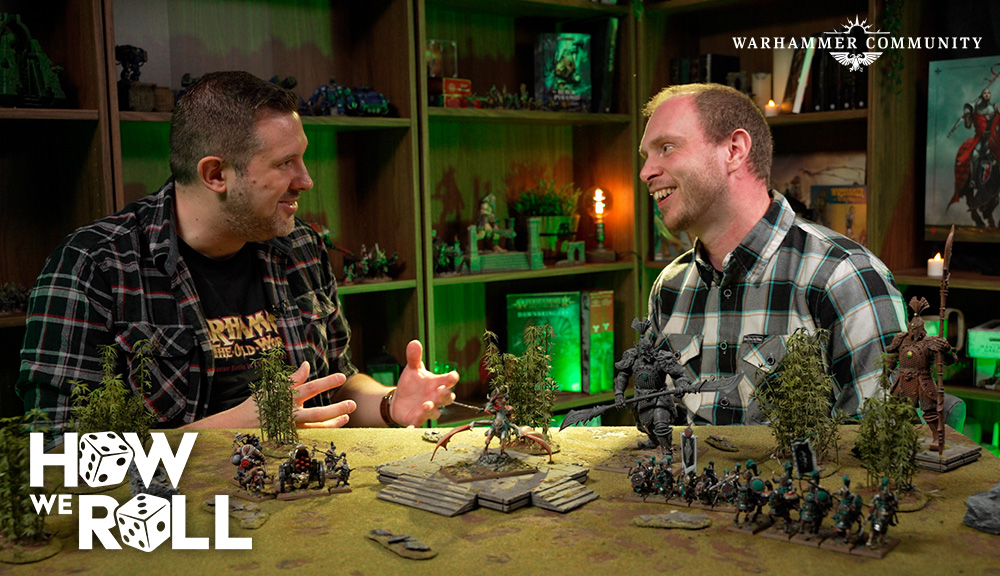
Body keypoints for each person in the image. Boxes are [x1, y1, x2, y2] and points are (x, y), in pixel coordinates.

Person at [17, 71, 457, 434]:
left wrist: (390, 403)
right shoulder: (93, 266)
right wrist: (229, 430)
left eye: (302, 159)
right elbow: (56, 456)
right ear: (215, 175)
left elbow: (334, 382)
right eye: (285, 163)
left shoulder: (301, 246)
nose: (306, 181)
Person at [639, 83, 905, 426]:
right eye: (646, 156)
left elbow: (879, 443)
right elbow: (658, 425)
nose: (646, 172)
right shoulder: (669, 287)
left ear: (734, 150)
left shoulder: (845, 277)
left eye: (666, 148)